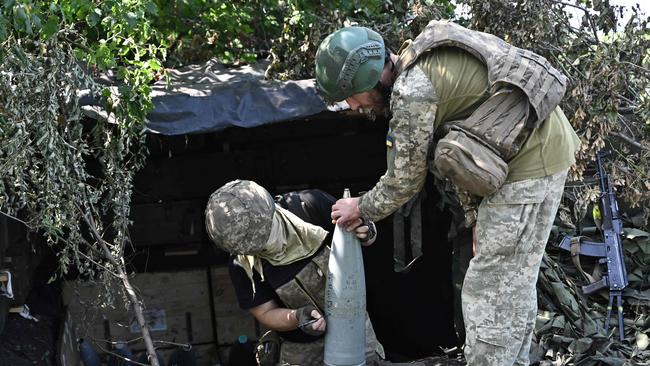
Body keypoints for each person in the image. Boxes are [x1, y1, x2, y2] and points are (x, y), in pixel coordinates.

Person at [315, 21, 580, 366]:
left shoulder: (412, 91)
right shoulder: (423, 58)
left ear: (367, 79)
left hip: (526, 165)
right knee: (513, 284)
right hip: (546, 149)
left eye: (349, 96)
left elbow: (403, 181)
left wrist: (359, 207)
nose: (352, 106)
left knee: (489, 291)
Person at [204, 180, 385, 366]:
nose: (266, 247)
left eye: (266, 236)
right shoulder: (241, 264)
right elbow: (266, 312)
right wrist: (297, 317)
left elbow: (360, 234)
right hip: (300, 349)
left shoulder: (310, 205)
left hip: (354, 329)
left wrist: (367, 231)